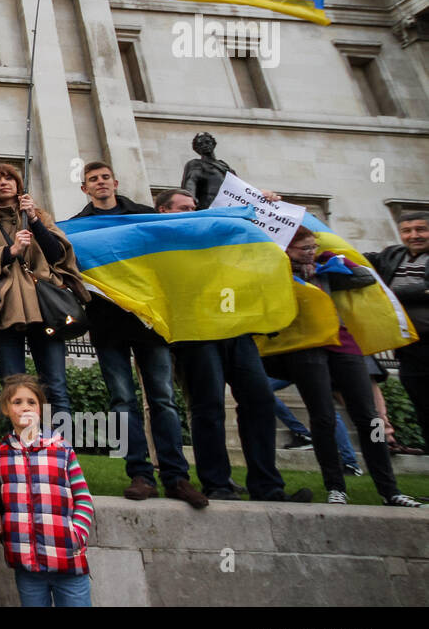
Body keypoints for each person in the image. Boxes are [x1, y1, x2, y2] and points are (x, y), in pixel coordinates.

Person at [67, 163, 200, 505]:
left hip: (148, 324)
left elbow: (184, 239)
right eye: (93, 180)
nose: (100, 183)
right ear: (85, 189)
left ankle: (175, 476)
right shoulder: (78, 227)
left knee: (163, 400)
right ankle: (139, 474)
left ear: (115, 182)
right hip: (107, 325)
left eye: (105, 178)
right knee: (122, 401)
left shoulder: (144, 216)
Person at [157, 189, 298, 504]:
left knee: (259, 400)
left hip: (235, 329)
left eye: (194, 206)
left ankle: (267, 486)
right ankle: (217, 483)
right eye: (183, 208)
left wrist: (262, 206)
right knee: (208, 407)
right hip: (195, 333)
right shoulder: (159, 240)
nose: (193, 211)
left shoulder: (216, 231)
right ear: (164, 211)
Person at [265, 227, 420, 507]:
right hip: (306, 345)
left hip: (343, 342)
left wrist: (333, 264)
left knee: (369, 416)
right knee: (322, 417)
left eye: (313, 246)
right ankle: (336, 486)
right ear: (287, 249)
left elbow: (363, 278)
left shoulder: (327, 263)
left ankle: (389, 489)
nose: (311, 252)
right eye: (305, 249)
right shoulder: (276, 270)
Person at [0, 163, 87, 436]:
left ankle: (61, 456)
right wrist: (11, 250)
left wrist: (34, 220)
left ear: (19, 184)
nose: (4, 182)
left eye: (9, 178)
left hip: (45, 310)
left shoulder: (39, 216)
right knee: (12, 386)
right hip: (6, 309)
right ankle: (25, 453)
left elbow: (58, 253)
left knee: (55, 386)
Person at [0, 374, 94, 607]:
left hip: (68, 562)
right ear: (7, 410)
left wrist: (77, 535)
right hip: (27, 567)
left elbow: (84, 498)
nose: (25, 407)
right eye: (17, 402)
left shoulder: (61, 449)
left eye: (31, 402)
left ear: (41, 409)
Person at [365, 211, 429, 448]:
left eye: (421, 229)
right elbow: (361, 260)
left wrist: (390, 293)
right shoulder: (393, 255)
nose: (414, 236)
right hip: (409, 346)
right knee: (420, 399)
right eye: (407, 231)